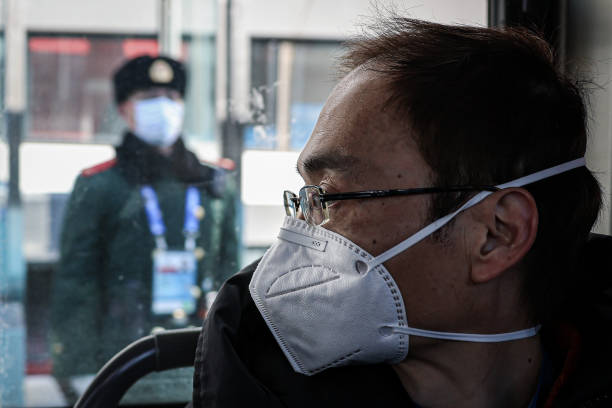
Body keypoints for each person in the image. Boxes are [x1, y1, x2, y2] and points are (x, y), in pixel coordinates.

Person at [192, 17, 612, 408]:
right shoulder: (257, 367)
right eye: (305, 197)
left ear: (496, 234)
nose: (302, 231)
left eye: (331, 197)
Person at [50, 55, 239, 398]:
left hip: (200, 355)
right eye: (149, 98)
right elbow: (76, 285)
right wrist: (77, 368)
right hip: (124, 358)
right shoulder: (100, 184)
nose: (163, 106)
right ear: (124, 109)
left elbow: (232, 273)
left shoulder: (213, 183)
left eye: (171, 97)